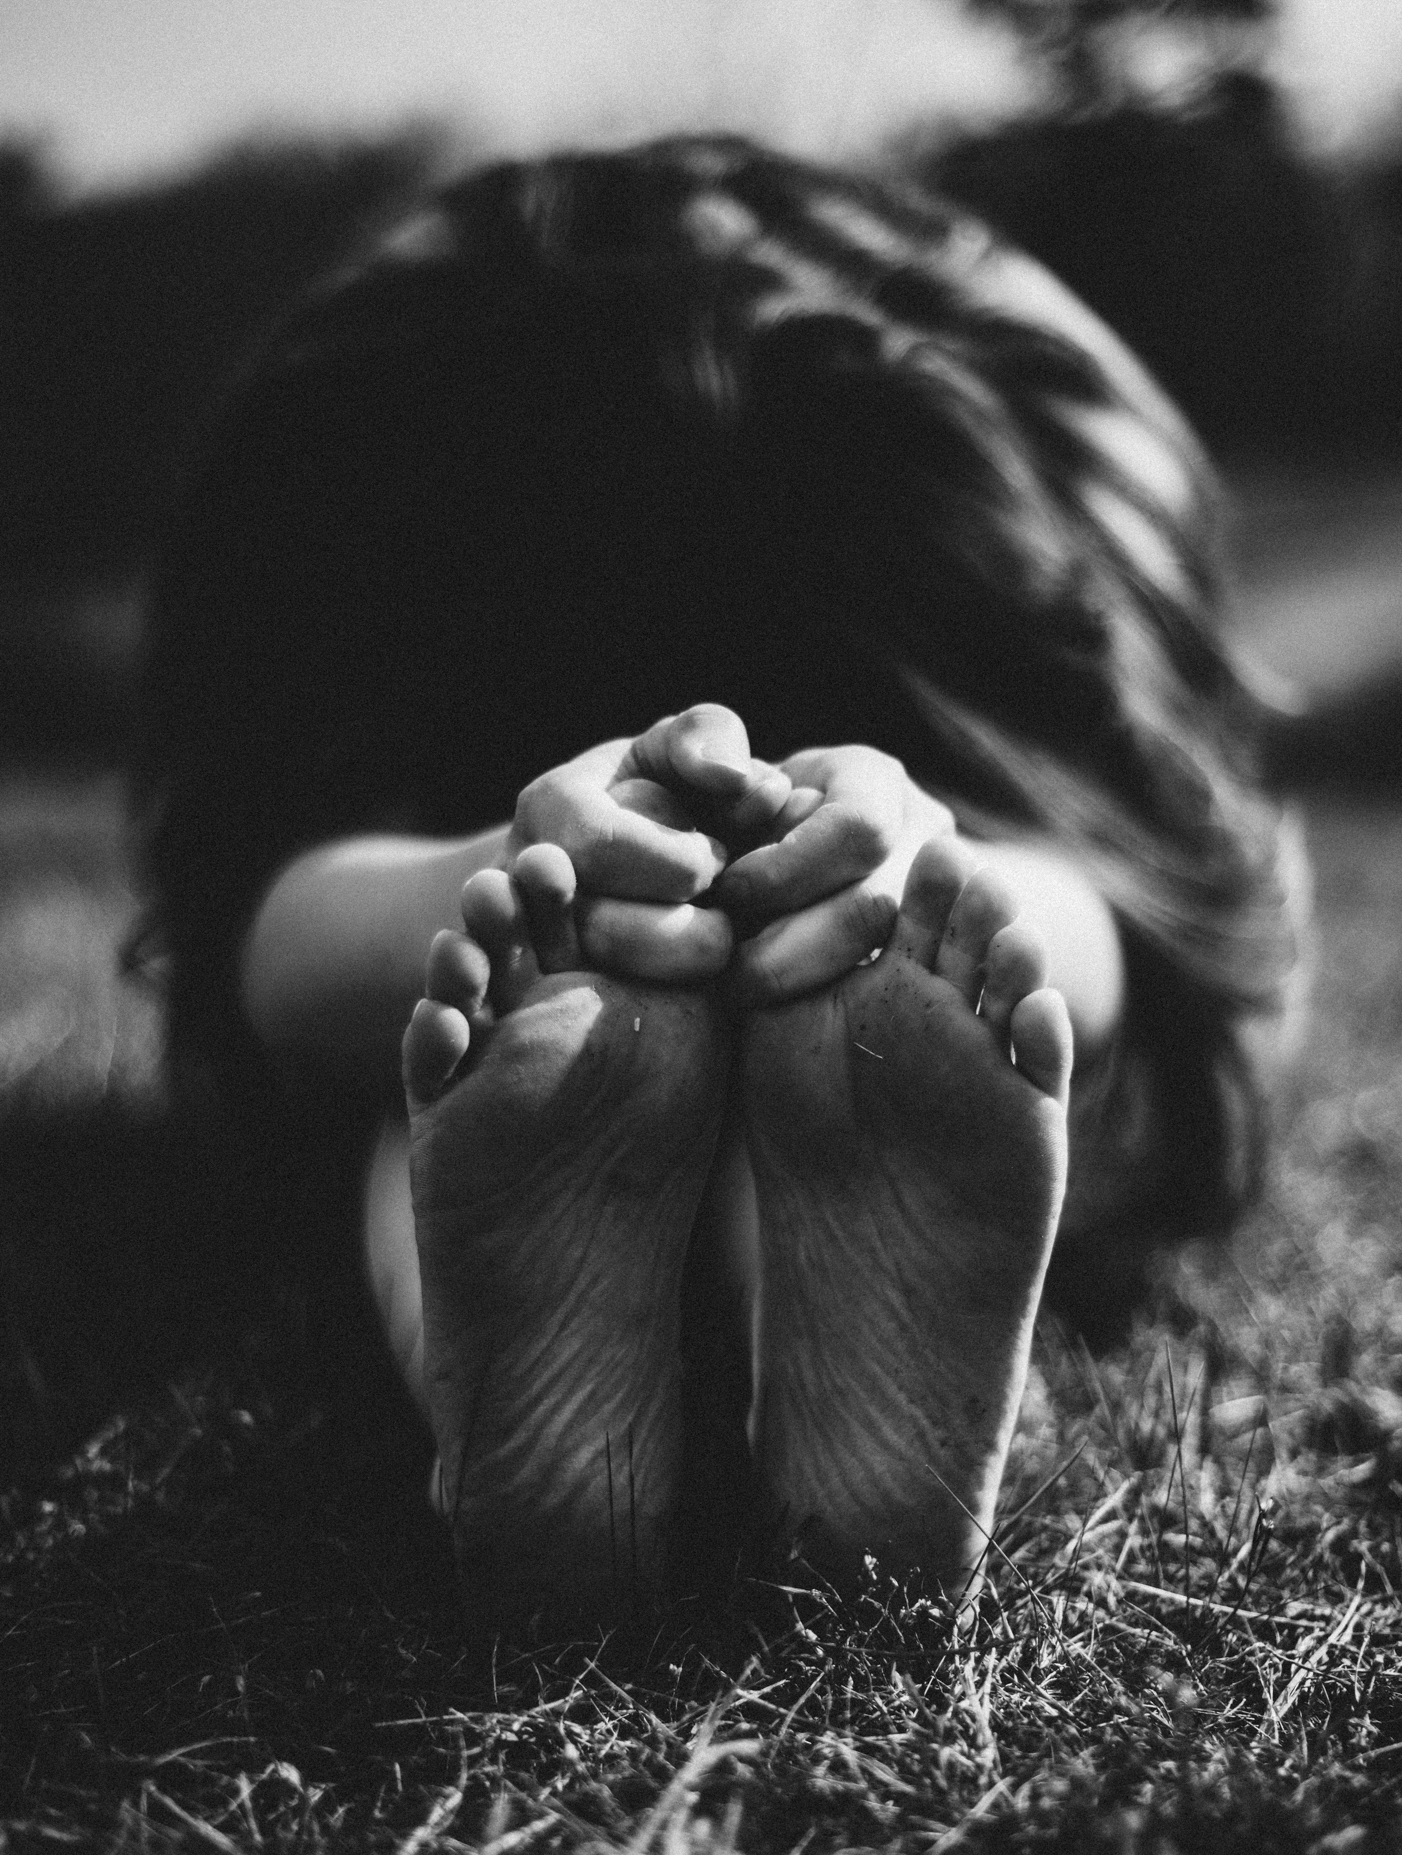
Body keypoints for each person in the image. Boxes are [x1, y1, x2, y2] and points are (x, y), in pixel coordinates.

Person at [134, 136, 1309, 1628]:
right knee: (971, 954)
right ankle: (810, 1300)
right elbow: (1176, 898)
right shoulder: (995, 393)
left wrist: (523, 866)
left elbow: (258, 900)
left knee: (456, 1059)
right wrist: (917, 856)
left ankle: (484, 1389)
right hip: (925, 589)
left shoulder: (391, 410)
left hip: (467, 623)